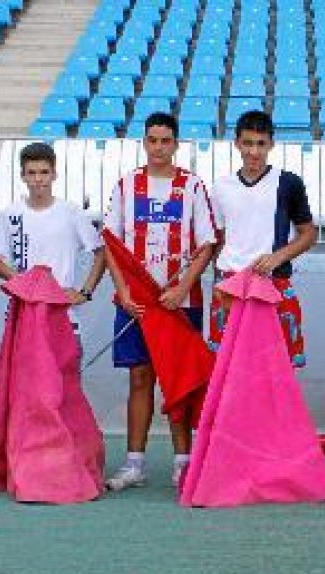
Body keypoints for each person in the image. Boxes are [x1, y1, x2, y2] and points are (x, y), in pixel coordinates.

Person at [103, 112, 217, 490]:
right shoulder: (126, 185)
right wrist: (121, 291)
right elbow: (111, 244)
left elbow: (206, 245)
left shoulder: (193, 186)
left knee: (179, 381)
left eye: (165, 140)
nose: (158, 147)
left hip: (180, 302)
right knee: (139, 378)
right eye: (152, 140)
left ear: (176, 144)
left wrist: (184, 287)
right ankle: (134, 463)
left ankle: (184, 462)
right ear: (144, 142)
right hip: (137, 301)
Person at [209, 110, 317, 367]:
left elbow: (309, 233)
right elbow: (218, 240)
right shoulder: (221, 187)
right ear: (236, 144)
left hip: (273, 283)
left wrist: (277, 257)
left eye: (260, 144)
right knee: (229, 368)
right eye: (247, 143)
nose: (254, 152)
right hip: (231, 284)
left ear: (271, 144)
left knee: (275, 368)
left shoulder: (288, 183)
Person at [0, 141, 105, 341]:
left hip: (62, 314)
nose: (38, 179)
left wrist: (85, 292)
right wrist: (24, 284)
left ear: (54, 174)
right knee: (21, 373)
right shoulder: (11, 213)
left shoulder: (71, 212)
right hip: (23, 313)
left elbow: (102, 253)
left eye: (44, 172)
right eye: (31, 173)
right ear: (22, 176)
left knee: (64, 372)